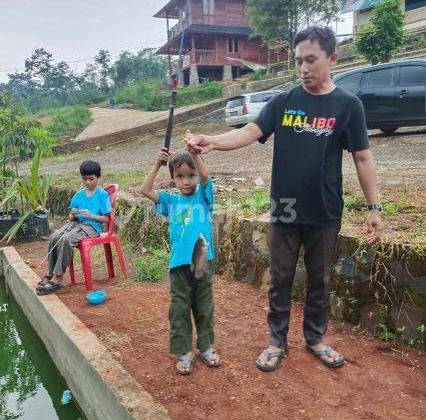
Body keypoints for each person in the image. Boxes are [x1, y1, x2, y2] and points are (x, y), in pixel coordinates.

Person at [188, 26, 383, 371]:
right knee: (280, 277)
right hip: (285, 207)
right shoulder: (284, 101)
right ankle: (276, 341)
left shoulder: (348, 105)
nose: (304, 69)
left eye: (311, 60)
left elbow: (363, 158)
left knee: (320, 279)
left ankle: (315, 338)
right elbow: (250, 131)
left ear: (332, 58)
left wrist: (374, 207)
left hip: (325, 208)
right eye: (298, 62)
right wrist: (214, 141)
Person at [140, 145, 221, 375]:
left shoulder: (204, 198)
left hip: (203, 263)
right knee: (179, 309)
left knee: (204, 307)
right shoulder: (170, 202)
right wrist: (157, 164)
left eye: (191, 175)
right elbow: (145, 190)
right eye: (180, 176)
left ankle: (205, 348)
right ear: (173, 179)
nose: (187, 181)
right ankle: (184, 352)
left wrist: (195, 154)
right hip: (178, 266)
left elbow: (206, 176)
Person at [36, 160, 111, 295]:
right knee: (54, 237)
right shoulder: (79, 194)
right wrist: (73, 214)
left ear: (98, 177)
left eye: (91, 179)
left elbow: (106, 219)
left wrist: (92, 215)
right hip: (76, 224)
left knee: (67, 239)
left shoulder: (102, 195)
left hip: (92, 227)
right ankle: (50, 272)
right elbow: (71, 216)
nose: (87, 182)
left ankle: (58, 277)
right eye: (84, 179)